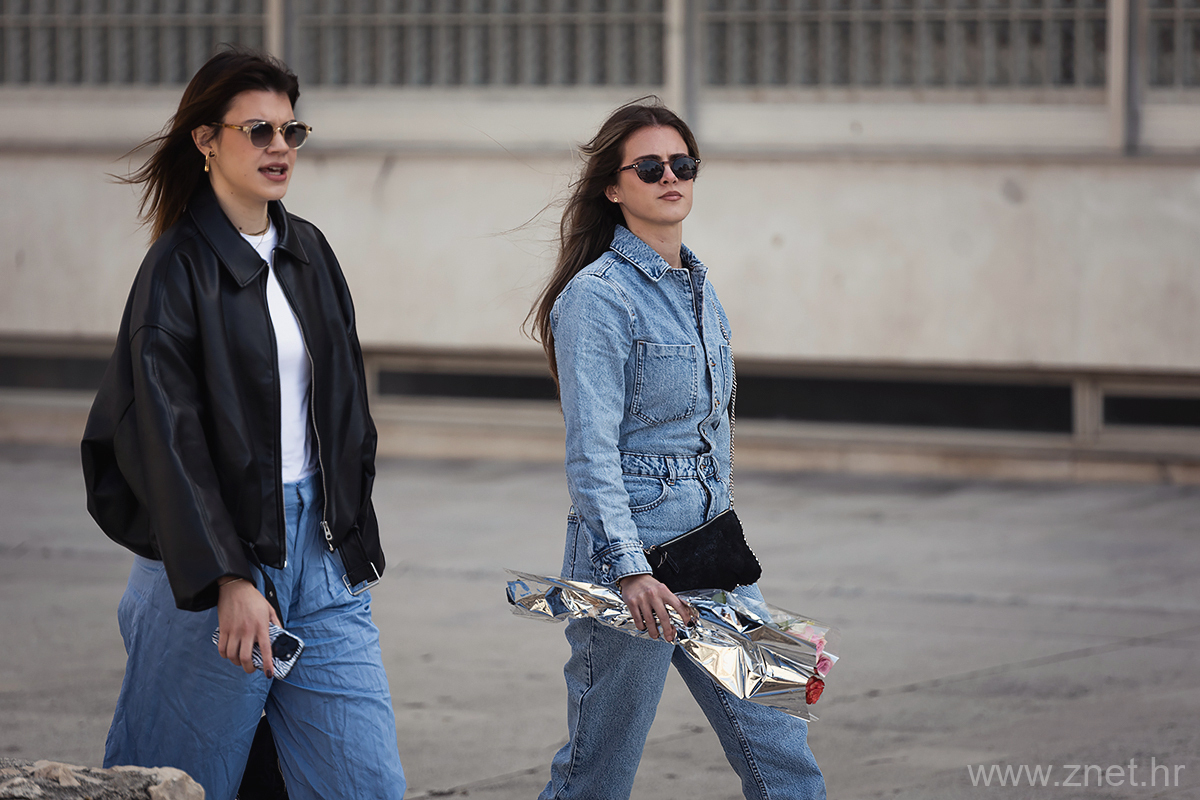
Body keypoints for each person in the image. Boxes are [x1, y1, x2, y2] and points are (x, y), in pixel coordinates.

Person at [80, 48, 406, 800]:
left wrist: (348, 531)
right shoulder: (176, 269)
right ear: (206, 140)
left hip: (322, 556)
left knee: (366, 783)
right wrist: (226, 575)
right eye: (258, 130)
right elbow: (167, 437)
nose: (279, 147)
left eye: (291, 131)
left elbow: (346, 409)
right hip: (209, 559)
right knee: (177, 784)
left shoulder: (309, 251)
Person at [526, 99, 826, 800]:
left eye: (683, 164)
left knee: (783, 744)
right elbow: (592, 453)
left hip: (714, 551)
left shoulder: (700, 289)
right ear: (612, 186)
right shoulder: (597, 297)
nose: (670, 177)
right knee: (599, 773)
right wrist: (628, 570)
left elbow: (711, 432)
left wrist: (722, 529)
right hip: (634, 566)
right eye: (650, 167)